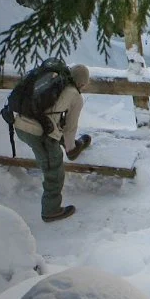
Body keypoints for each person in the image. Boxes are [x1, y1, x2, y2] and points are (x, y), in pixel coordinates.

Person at [14, 63, 92, 222]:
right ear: (82, 84)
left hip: (19, 125)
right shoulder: (75, 96)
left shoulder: (54, 81)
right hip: (37, 134)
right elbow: (70, 128)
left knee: (52, 131)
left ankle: (67, 144)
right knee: (54, 170)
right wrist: (71, 149)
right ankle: (51, 210)